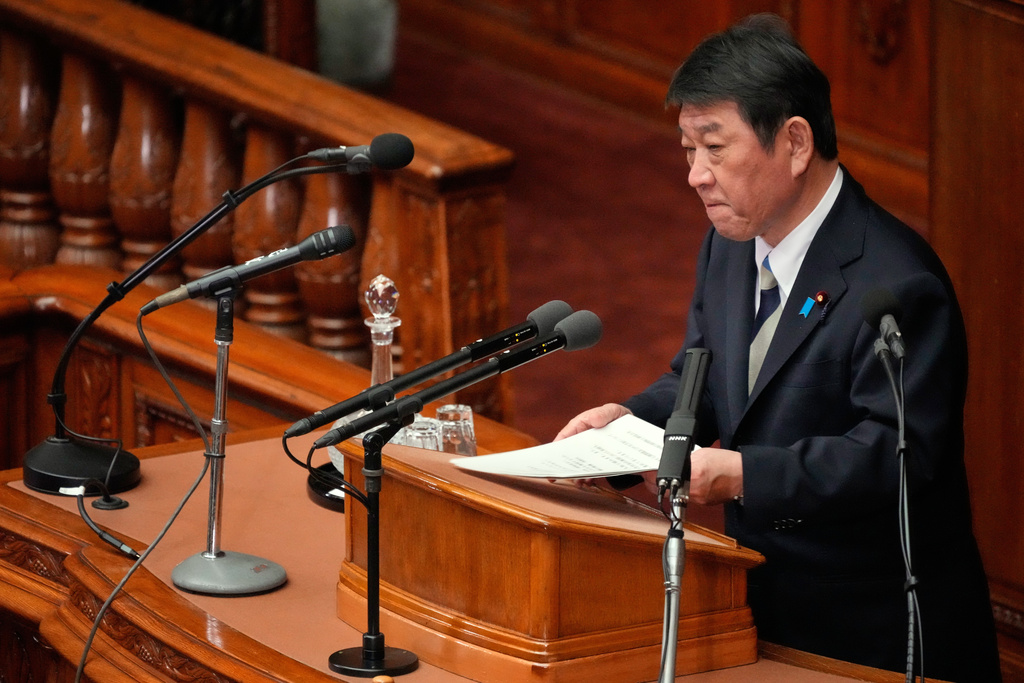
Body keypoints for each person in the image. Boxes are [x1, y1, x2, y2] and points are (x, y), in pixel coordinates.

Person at [556, 14, 1001, 682]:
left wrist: (744, 475)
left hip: (872, 634)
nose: (695, 176)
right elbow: (703, 379)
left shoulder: (900, 283)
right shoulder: (730, 246)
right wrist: (629, 424)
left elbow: (894, 455)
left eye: (714, 147)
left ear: (795, 142)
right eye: (687, 149)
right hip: (751, 604)